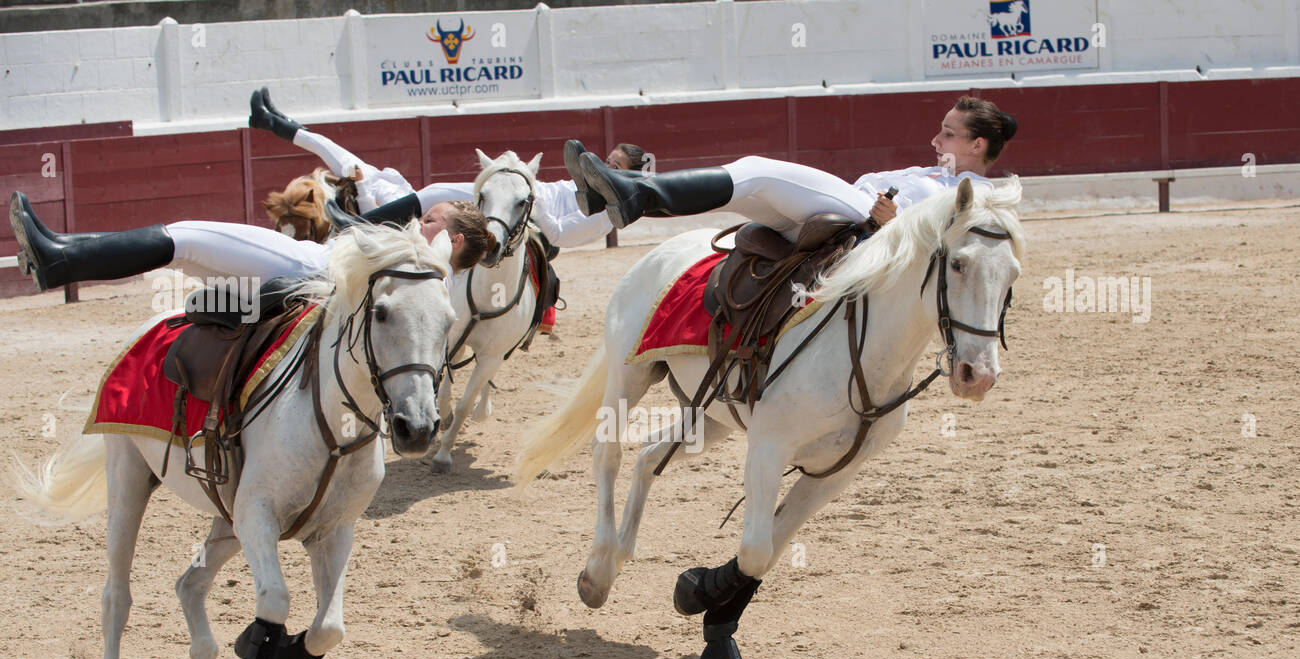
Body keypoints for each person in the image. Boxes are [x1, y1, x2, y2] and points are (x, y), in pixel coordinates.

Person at [564, 96, 1018, 240]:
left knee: (758, 169)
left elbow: (958, 248)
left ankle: (633, 190)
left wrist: (899, 221)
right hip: (848, 213)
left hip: (862, 218)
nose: (936, 139)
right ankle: (624, 196)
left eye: (949, 133)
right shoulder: (939, 174)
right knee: (745, 193)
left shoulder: (980, 194)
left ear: (978, 145)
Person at [248, 87, 651, 249]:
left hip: (515, 214)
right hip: (516, 193)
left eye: (613, 165)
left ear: (625, 176)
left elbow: (560, 237)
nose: (602, 166)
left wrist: (528, 192)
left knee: (434, 192)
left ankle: (352, 227)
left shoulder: (604, 217)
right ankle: (279, 125)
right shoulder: (586, 185)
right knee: (357, 166)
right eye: (607, 159)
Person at [8, 191, 496, 294]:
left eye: (430, 219)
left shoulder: (436, 269)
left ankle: (58, 263)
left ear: (451, 240)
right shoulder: (434, 270)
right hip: (312, 267)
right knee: (186, 246)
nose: (420, 220)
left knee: (187, 237)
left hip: (309, 267)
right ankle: (60, 248)